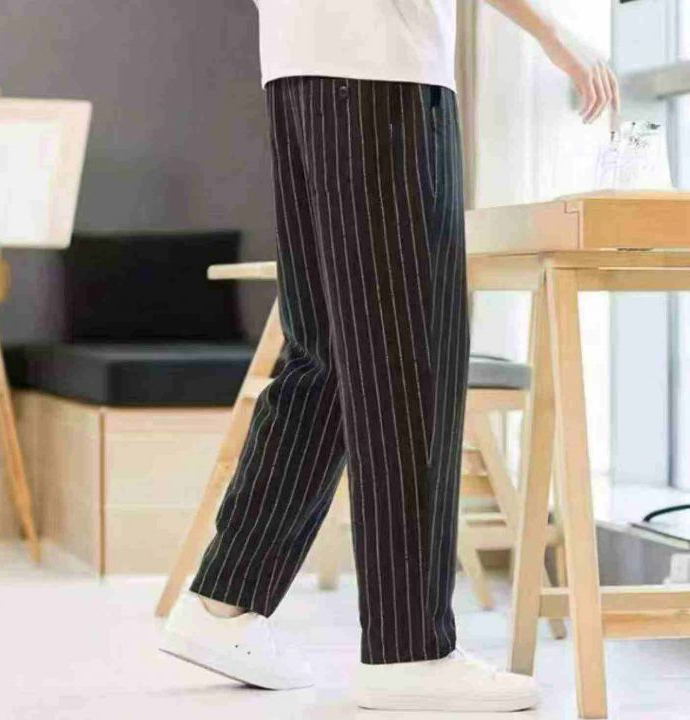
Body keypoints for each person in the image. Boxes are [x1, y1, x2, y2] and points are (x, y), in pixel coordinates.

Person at [160, 0, 619, 712]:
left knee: (329, 361)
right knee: (408, 361)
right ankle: (410, 649)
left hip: (301, 68)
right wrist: (552, 31)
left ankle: (224, 601)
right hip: (382, 73)